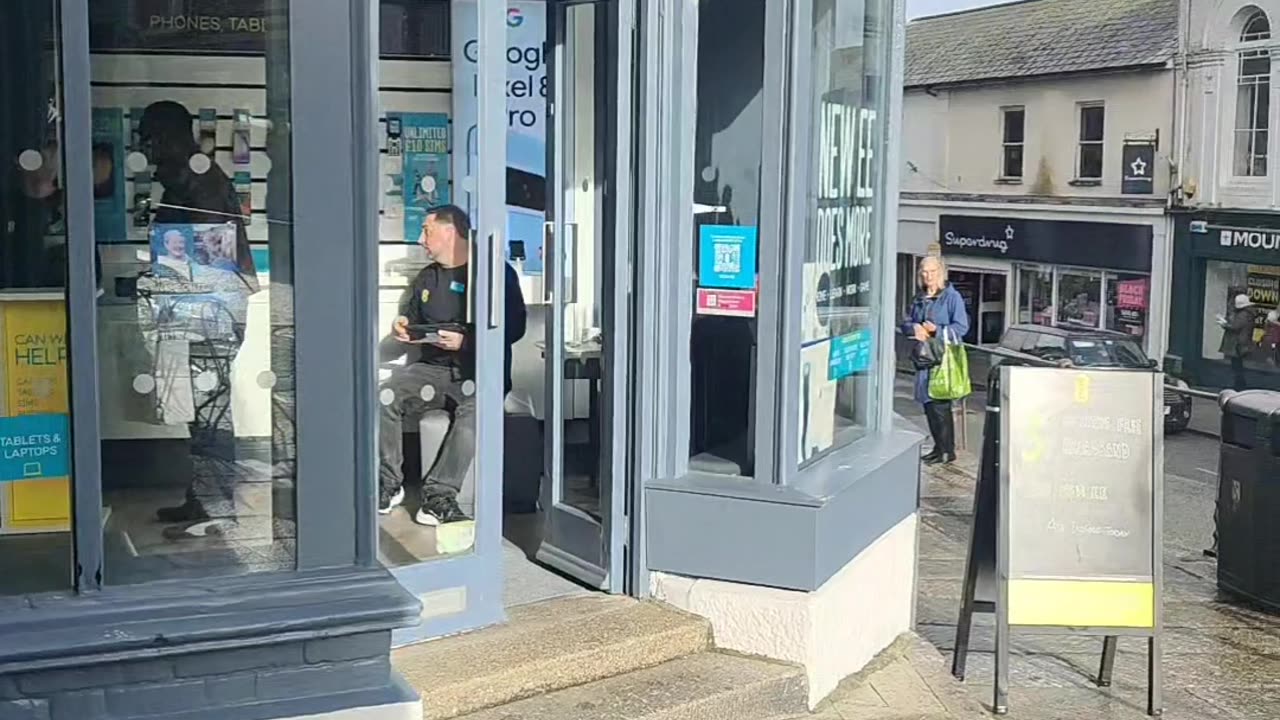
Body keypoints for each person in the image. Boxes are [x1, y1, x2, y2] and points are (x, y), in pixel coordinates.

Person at [140, 100, 260, 538]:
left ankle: (214, 502)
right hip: (206, 304)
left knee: (210, 406)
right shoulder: (192, 178)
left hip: (212, 307)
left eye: (150, 139)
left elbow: (209, 255)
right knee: (205, 406)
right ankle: (203, 497)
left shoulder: (201, 180)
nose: (146, 150)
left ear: (168, 137)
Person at [379, 205, 527, 526]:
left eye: (427, 231)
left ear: (450, 232)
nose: (421, 239)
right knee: (385, 395)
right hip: (433, 372)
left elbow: (515, 328)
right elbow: (413, 319)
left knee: (476, 411)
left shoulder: (495, 274)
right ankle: (388, 485)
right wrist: (403, 326)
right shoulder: (427, 277)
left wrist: (466, 342)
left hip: (479, 372)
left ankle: (438, 497)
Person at [901, 255, 969, 465]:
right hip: (924, 359)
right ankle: (938, 447)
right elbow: (906, 321)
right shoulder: (919, 298)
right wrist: (914, 328)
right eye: (924, 272)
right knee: (928, 406)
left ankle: (947, 450)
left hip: (942, 360)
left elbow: (962, 328)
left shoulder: (951, 297)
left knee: (940, 405)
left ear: (941, 273)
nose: (928, 276)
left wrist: (937, 330)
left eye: (932, 272)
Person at [1217, 294, 1257, 391]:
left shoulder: (1244, 314)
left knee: (1237, 367)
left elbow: (1235, 326)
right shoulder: (1248, 314)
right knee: (1237, 366)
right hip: (1241, 343)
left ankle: (1239, 386)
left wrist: (1224, 324)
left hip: (1238, 344)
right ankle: (1239, 386)